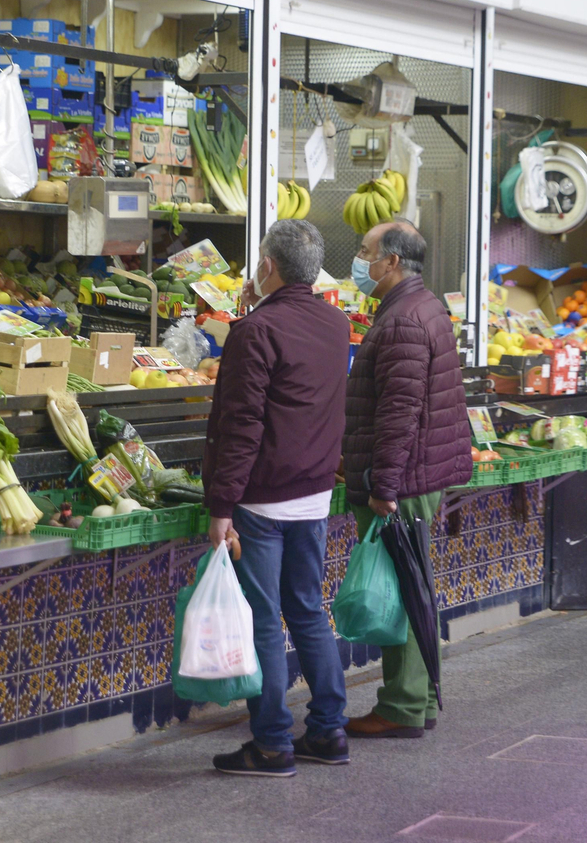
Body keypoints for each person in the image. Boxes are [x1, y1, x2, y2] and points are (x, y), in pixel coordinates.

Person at [202, 219, 351, 777]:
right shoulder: (336, 324)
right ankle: (330, 731)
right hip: (314, 496)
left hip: (261, 502)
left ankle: (270, 743)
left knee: (265, 621)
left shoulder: (256, 332)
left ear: (267, 266)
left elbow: (242, 427)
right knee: (308, 612)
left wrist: (221, 508)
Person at [341, 220, 473, 739]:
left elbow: (399, 412)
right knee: (412, 587)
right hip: (416, 473)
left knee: (400, 591)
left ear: (392, 261)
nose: (360, 260)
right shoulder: (423, 307)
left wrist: (384, 488)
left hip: (405, 477)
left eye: (366, 252)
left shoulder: (403, 322)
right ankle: (416, 701)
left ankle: (402, 705)